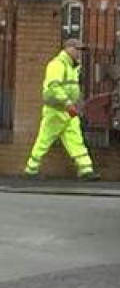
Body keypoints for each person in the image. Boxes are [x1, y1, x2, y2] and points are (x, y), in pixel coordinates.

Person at [24, 39, 99, 181]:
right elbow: (53, 87)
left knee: (76, 140)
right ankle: (31, 169)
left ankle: (86, 170)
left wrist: (73, 104)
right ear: (68, 49)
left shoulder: (72, 67)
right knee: (45, 139)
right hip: (56, 110)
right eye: (77, 49)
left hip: (68, 110)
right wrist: (67, 103)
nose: (79, 53)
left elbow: (71, 88)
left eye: (80, 50)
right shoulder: (57, 64)